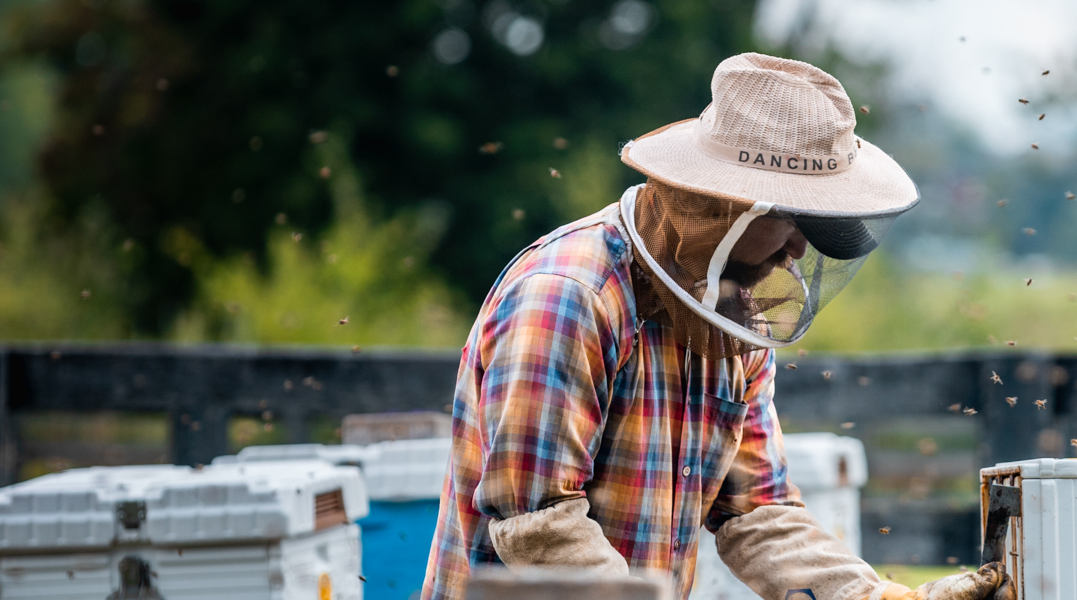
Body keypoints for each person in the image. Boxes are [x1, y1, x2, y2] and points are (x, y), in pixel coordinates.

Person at [420, 53, 1010, 600]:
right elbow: (538, 528)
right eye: (789, 218)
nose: (799, 249)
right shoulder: (570, 297)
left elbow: (757, 511)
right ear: (722, 206)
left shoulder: (730, 319)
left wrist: (875, 597)